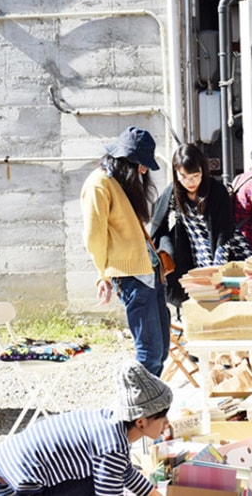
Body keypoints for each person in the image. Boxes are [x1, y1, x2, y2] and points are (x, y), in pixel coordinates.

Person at [0, 360, 173, 496]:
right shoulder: (112, 446)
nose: (167, 423)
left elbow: (125, 472)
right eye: (162, 417)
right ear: (140, 421)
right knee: (93, 483)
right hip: (7, 487)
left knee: (104, 475)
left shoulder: (110, 422)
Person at [81, 126, 170, 376]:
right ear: (125, 160)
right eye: (141, 165)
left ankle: (152, 410)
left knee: (161, 351)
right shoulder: (99, 184)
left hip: (150, 272)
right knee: (149, 355)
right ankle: (140, 412)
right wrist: (102, 275)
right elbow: (93, 236)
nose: (143, 171)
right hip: (132, 277)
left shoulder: (119, 182)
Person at [150, 143, 235, 309]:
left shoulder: (217, 191)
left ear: (203, 170)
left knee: (223, 294)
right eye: (184, 177)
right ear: (176, 174)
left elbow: (225, 233)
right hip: (192, 248)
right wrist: (166, 249)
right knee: (194, 297)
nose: (190, 182)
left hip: (221, 246)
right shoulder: (173, 192)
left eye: (195, 176)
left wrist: (217, 268)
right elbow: (158, 223)